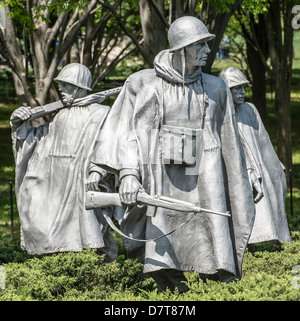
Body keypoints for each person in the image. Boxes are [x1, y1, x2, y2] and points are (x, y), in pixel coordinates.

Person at [88, 16, 256, 292]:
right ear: (181, 48)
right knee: (163, 225)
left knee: (211, 223)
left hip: (207, 171)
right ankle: (169, 282)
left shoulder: (216, 88)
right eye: (199, 44)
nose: (207, 50)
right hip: (160, 172)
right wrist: (129, 174)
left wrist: (247, 173)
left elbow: (231, 141)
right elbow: (131, 133)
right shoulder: (147, 86)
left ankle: (215, 286)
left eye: (206, 44)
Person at [10, 63, 118, 261]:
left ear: (79, 87)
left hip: (81, 181)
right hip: (55, 184)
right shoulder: (60, 114)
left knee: (92, 238)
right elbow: (38, 141)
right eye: (61, 84)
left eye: (66, 85)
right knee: (51, 234)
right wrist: (19, 122)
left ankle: (99, 273)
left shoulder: (101, 113)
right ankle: (60, 266)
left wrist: (97, 172)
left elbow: (109, 146)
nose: (61, 89)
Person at [219, 67, 291, 245]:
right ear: (226, 90)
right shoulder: (218, 113)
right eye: (237, 88)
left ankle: (271, 238)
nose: (242, 92)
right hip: (235, 170)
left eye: (243, 87)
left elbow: (263, 140)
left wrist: (275, 165)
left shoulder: (249, 109)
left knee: (272, 189)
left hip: (259, 164)